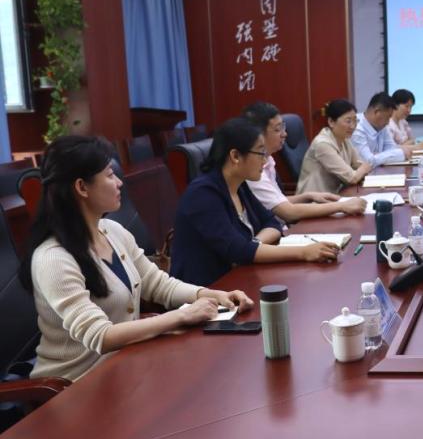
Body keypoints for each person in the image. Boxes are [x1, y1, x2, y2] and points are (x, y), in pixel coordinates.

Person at [21, 136, 254, 382]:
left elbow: (159, 284)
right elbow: (100, 336)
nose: (119, 182)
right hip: (75, 385)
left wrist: (212, 295)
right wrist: (180, 316)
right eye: (110, 175)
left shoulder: (112, 231)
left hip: (124, 366)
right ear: (82, 187)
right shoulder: (53, 259)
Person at [171, 118, 342, 287]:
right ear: (235, 156)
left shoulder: (239, 185)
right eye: (261, 153)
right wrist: (304, 252)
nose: (265, 160)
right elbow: (238, 250)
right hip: (206, 291)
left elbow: (272, 223)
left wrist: (254, 244)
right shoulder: (203, 194)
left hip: (239, 279)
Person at [242, 102, 365, 222]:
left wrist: (308, 196)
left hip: (286, 223)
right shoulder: (252, 169)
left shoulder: (268, 159)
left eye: (283, 127)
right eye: (278, 129)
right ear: (258, 134)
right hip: (285, 225)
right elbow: (288, 212)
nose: (285, 134)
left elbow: (277, 201)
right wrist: (341, 206)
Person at [298, 99, 374, 194]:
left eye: (355, 121)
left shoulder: (344, 139)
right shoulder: (322, 144)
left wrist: (363, 168)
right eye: (348, 121)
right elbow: (352, 177)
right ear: (331, 122)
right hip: (314, 199)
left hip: (335, 194)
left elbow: (357, 164)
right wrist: (365, 167)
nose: (353, 126)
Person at [352, 91, 415, 167]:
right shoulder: (356, 128)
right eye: (388, 117)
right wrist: (400, 154)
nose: (388, 122)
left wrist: (379, 156)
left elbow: (392, 148)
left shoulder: (382, 126)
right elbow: (368, 161)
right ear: (377, 112)